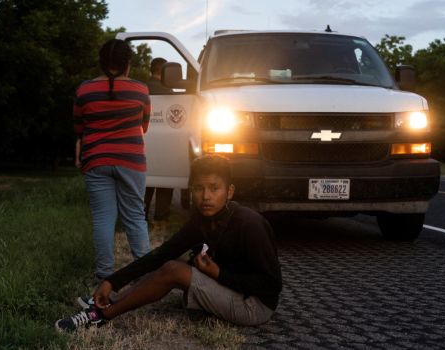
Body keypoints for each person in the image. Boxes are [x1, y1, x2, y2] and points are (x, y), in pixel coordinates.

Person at [55, 155, 283, 332]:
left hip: (255, 306)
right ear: (190, 189)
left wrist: (219, 274)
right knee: (171, 263)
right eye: (198, 188)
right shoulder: (202, 219)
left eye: (214, 188)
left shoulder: (250, 224)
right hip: (232, 289)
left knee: (175, 270)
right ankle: (110, 299)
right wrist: (113, 281)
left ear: (229, 191)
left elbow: (272, 286)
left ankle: (101, 317)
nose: (205, 196)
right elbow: (163, 254)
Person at [73, 39, 151, 282]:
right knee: (135, 217)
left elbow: (79, 128)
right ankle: (144, 274)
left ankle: (105, 274)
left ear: (101, 62)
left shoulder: (84, 91)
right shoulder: (141, 90)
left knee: (103, 218)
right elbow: (144, 126)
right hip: (131, 161)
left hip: (96, 160)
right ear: (128, 63)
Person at [144, 57, 174, 221]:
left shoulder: (142, 88)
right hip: (166, 143)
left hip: (144, 142)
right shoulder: (170, 93)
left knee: (145, 181)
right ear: (163, 71)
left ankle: (142, 213)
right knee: (165, 181)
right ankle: (161, 214)